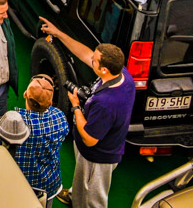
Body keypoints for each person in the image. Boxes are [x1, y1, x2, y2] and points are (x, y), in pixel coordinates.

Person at [39, 18, 135, 208]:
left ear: (104, 69)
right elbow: (85, 53)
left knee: (93, 200)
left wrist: (75, 107)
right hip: (92, 150)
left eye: (95, 61)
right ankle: (75, 196)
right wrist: (58, 33)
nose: (91, 59)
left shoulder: (106, 103)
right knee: (83, 183)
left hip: (97, 158)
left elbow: (90, 139)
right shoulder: (122, 74)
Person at [0, 76, 70, 207]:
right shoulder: (59, 117)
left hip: (21, 185)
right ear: (49, 103)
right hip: (49, 185)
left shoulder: (14, 123)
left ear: (25, 94)